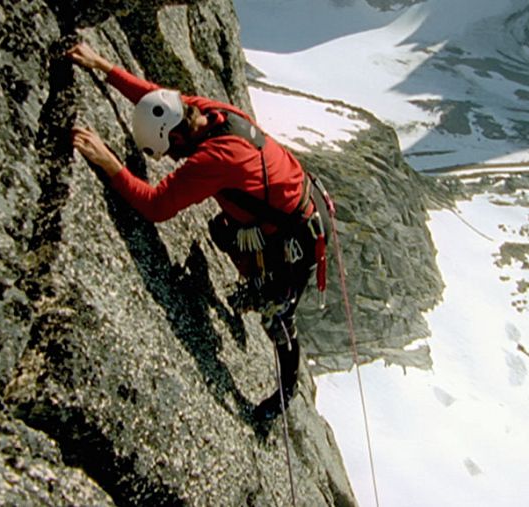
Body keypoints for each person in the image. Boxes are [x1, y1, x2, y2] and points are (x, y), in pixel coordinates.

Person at [66, 43, 333, 421]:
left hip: (299, 238)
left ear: (176, 139)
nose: (175, 160)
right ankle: (256, 284)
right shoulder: (206, 112)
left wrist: (109, 163)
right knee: (223, 230)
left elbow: (156, 206)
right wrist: (104, 66)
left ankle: (285, 392)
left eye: (170, 153)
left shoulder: (214, 159)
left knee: (278, 315)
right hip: (301, 199)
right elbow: (155, 97)